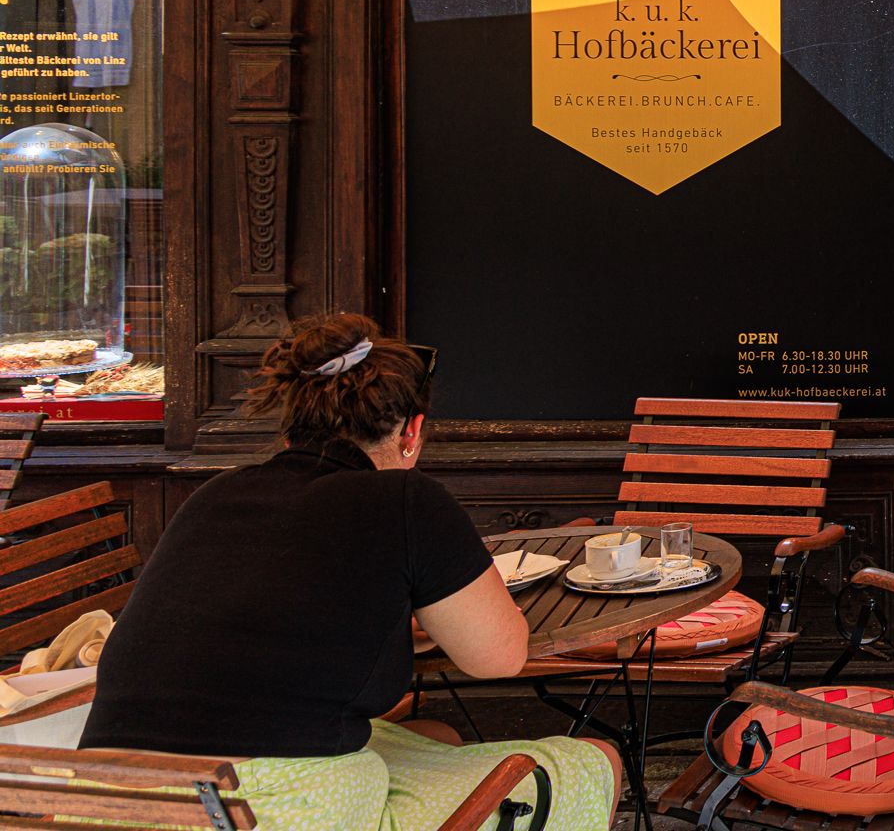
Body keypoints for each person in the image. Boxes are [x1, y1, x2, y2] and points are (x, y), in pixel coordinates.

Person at [81, 313, 621, 830]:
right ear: (412, 432)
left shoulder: (216, 494)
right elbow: (498, 657)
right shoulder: (406, 499)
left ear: (292, 427)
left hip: (111, 799)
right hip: (265, 808)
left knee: (433, 735)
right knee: (594, 759)